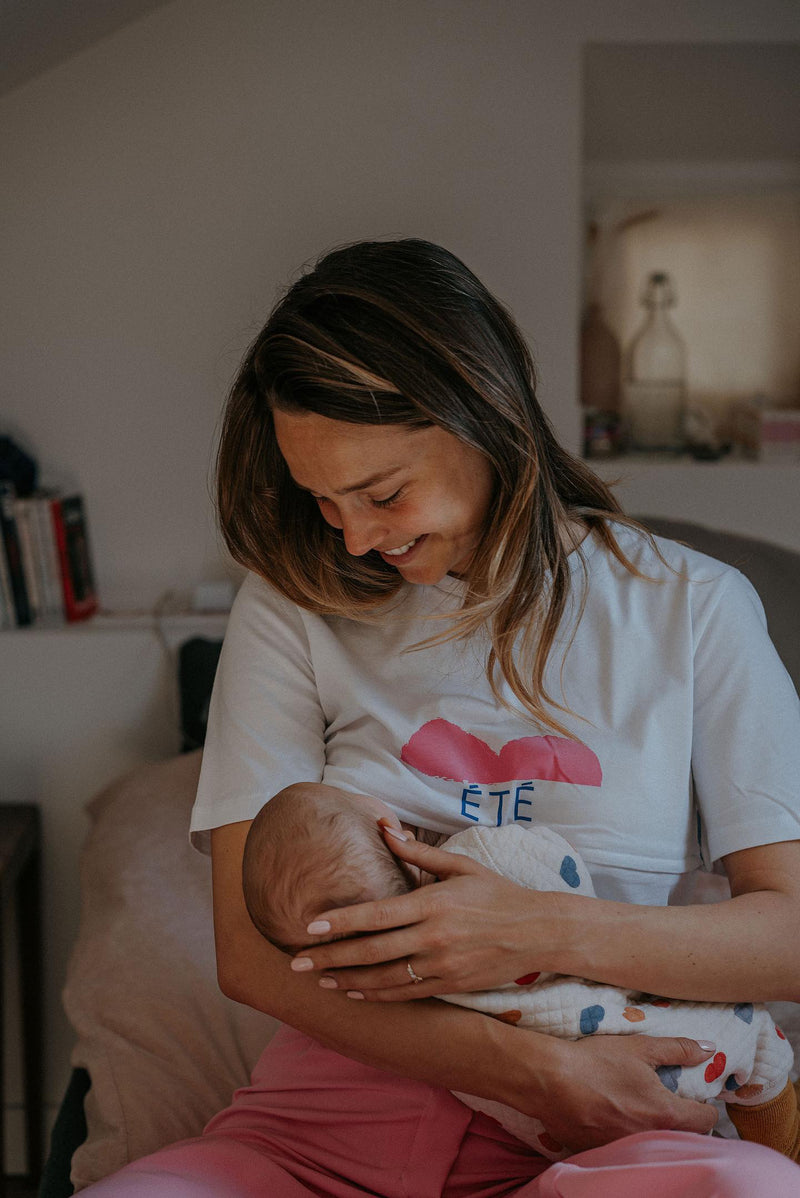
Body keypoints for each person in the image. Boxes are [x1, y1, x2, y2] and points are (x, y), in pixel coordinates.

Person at [85, 238, 800, 1195]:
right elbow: (248, 956)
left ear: (485, 412)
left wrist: (539, 931)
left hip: (604, 1133)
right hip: (323, 1131)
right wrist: (529, 1070)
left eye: (382, 493)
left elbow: (788, 935)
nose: (355, 536)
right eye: (323, 501)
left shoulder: (694, 609)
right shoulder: (293, 603)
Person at [241, 780, 800, 1162]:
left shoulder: (379, 976)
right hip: (642, 1071)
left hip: (564, 1132)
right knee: (756, 1062)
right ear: (390, 826)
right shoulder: (487, 856)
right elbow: (559, 865)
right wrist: (547, 1074)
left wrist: (542, 930)